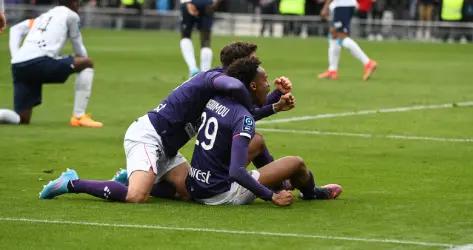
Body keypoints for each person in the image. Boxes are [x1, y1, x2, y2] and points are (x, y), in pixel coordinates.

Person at [39, 42, 294, 203]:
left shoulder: (223, 91)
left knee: (189, 192)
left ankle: (133, 177)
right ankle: (71, 183)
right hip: (148, 137)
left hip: (167, 147)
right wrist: (267, 101)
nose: (256, 67)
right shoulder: (215, 80)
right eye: (251, 62)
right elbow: (240, 95)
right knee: (136, 197)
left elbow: (241, 116)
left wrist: (274, 102)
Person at [186, 56, 342, 206]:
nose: (268, 85)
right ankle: (311, 193)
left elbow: (245, 111)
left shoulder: (217, 99)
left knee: (257, 140)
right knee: (297, 163)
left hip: (197, 185)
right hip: (221, 193)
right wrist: (272, 197)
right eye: (265, 80)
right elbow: (236, 171)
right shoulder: (244, 119)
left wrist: (276, 103)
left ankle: (279, 184)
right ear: (253, 86)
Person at [0, 0, 103, 127]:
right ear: (71, 2)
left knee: (22, 118)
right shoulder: (71, 15)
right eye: (77, 2)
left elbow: (15, 29)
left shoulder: (43, 17)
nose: (79, 5)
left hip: (18, 66)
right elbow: (78, 48)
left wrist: (15, 56)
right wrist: (83, 62)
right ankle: (79, 116)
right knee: (86, 63)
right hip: (39, 62)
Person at [318, 0, 377, 80]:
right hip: (345, 5)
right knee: (333, 34)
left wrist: (325, 7)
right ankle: (332, 71)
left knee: (341, 36)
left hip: (342, 5)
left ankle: (368, 63)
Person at [179, 0, 222, 77]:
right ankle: (204, 75)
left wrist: (187, 2)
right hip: (208, 3)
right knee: (206, 41)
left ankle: (193, 68)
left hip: (192, 2)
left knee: (185, 36)